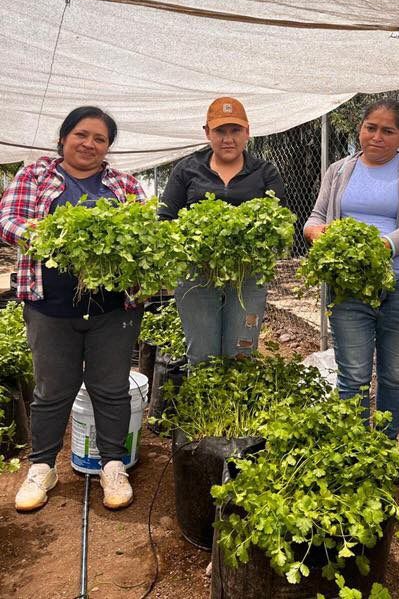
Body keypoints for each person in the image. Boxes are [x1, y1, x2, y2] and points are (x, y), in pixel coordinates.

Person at [0, 106, 146, 512]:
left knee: (111, 389)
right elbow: (7, 220)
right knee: (51, 390)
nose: (89, 144)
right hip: (50, 306)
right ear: (63, 137)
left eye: (100, 139)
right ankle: (42, 467)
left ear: (108, 147)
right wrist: (43, 232)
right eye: (82, 134)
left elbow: (145, 232)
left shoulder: (124, 184)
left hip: (114, 309)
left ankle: (112, 466)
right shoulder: (35, 175)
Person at [303, 97, 399, 439]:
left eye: (387, 131)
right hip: (348, 288)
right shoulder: (339, 170)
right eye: (370, 128)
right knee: (353, 375)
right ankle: (354, 450)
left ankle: (384, 447)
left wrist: (380, 246)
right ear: (360, 128)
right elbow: (316, 216)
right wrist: (313, 231)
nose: (377, 137)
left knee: (395, 375)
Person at [159, 96, 285, 365]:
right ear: (207, 133)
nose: (228, 139)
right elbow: (165, 219)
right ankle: (204, 394)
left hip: (249, 274)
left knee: (241, 351)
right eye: (220, 131)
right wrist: (192, 241)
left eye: (235, 130)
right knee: (202, 355)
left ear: (247, 132)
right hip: (197, 274)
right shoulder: (187, 169)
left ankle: (236, 393)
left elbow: (279, 223)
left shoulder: (265, 172)